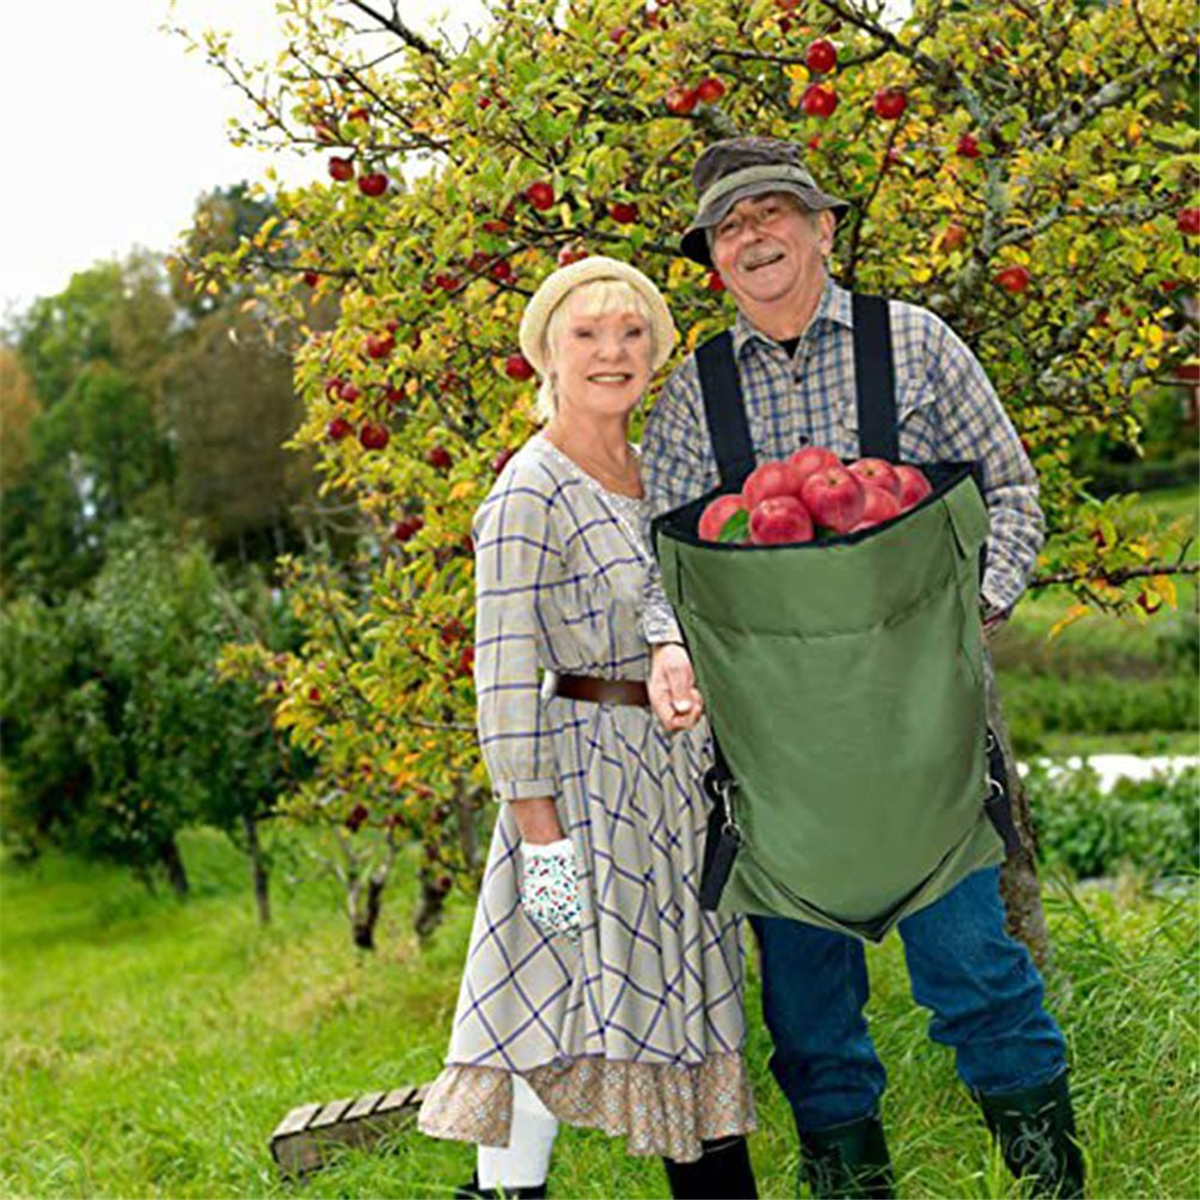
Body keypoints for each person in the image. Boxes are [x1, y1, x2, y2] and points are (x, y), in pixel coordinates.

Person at [640, 138, 1084, 1198]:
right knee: (809, 1015)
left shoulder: (916, 345)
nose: (752, 238)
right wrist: (667, 643)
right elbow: (661, 559)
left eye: (771, 214)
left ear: (823, 228)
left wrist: (976, 606)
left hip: (924, 739)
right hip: (779, 761)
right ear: (714, 259)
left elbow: (1012, 493)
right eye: (728, 228)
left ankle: (1050, 1183)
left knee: (976, 971)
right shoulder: (695, 396)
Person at [418, 256, 757, 1199]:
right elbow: (501, 672)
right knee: (546, 997)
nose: (613, 351)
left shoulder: (658, 474)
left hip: (671, 784)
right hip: (577, 790)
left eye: (632, 332)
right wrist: (540, 837)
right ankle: (502, 1195)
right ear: (548, 356)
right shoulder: (528, 490)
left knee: (684, 998)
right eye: (588, 333)